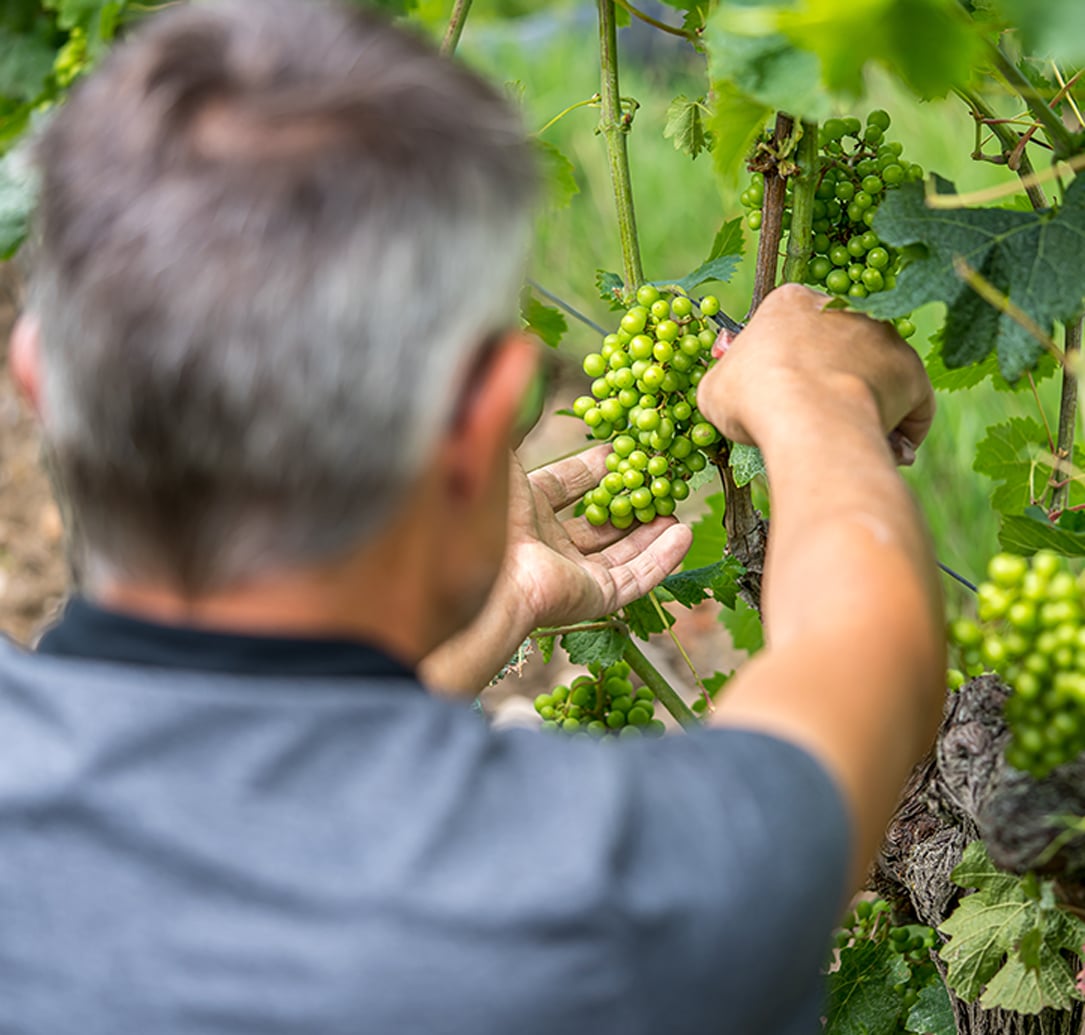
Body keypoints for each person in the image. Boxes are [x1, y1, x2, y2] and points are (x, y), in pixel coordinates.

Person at [0, 1, 945, 1033]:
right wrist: (818, 398)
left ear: (37, 376)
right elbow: (873, 654)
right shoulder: (611, 903)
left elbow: (227, 788)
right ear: (488, 419)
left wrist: (492, 614)